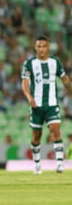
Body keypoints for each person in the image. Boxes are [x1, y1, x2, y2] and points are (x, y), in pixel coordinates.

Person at [21, 36, 72, 174]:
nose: (41, 49)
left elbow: (65, 79)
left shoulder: (55, 62)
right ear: (35, 48)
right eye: (39, 46)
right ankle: (37, 164)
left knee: (55, 130)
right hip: (36, 105)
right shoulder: (29, 63)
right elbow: (25, 83)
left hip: (51, 104)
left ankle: (60, 163)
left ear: (48, 47)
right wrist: (29, 98)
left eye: (44, 46)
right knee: (36, 135)